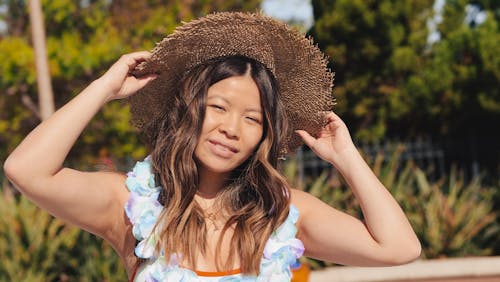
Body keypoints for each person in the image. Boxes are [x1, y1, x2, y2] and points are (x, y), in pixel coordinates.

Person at [4, 12, 420, 281]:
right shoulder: (130, 206)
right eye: (218, 107)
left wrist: (346, 158)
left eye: (252, 118)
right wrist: (103, 89)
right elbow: (26, 170)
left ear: (265, 135)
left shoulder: (283, 214)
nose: (231, 128)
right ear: (190, 110)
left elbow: (400, 248)